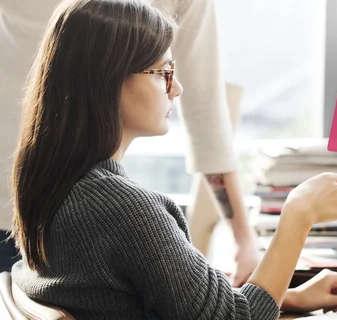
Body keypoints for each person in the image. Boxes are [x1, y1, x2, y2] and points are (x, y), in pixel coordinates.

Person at [8, 0, 337, 319]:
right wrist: (298, 215)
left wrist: (287, 296)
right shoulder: (123, 211)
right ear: (108, 80)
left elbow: (173, 299)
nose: (176, 87)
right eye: (162, 73)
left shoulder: (54, 187)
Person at [0, 0, 261, 284]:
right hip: (41, 214)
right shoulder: (133, 214)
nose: (175, 88)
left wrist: (243, 240)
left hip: (36, 204)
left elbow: (206, 119)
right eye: (163, 73)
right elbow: (206, 116)